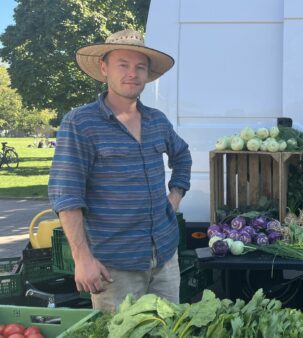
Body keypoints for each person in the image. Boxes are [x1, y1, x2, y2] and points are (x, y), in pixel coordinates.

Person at [48, 29, 192, 311]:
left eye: (140, 67)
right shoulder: (81, 123)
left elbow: (182, 155)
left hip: (164, 257)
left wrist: (174, 198)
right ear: (104, 68)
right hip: (114, 269)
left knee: (171, 330)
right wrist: (82, 259)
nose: (132, 73)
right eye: (123, 65)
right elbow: (66, 194)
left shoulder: (157, 121)